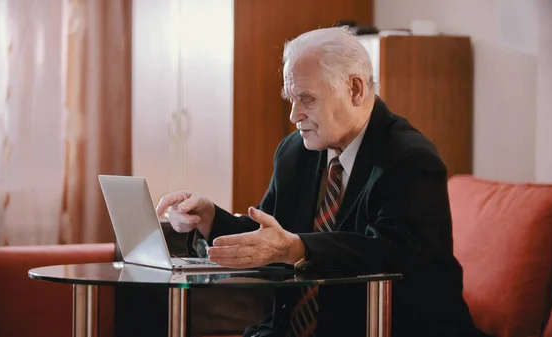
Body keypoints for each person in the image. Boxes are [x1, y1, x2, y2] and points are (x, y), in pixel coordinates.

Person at [156, 27, 486, 337]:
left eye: (308, 99)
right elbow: (272, 238)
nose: (293, 115)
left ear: (355, 89)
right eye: (291, 98)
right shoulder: (294, 152)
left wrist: (298, 248)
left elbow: (393, 256)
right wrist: (211, 218)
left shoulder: (410, 159)